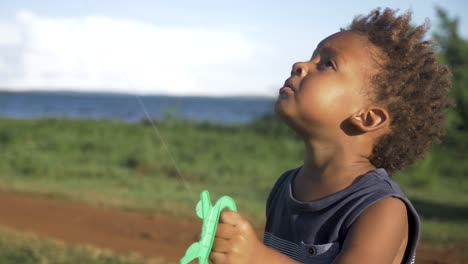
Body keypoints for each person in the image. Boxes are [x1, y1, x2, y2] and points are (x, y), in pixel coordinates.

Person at [209, 8, 452, 264]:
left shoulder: (382, 209)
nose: (299, 65)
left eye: (327, 64)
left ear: (368, 118)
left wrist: (256, 258)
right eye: (312, 58)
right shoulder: (285, 187)